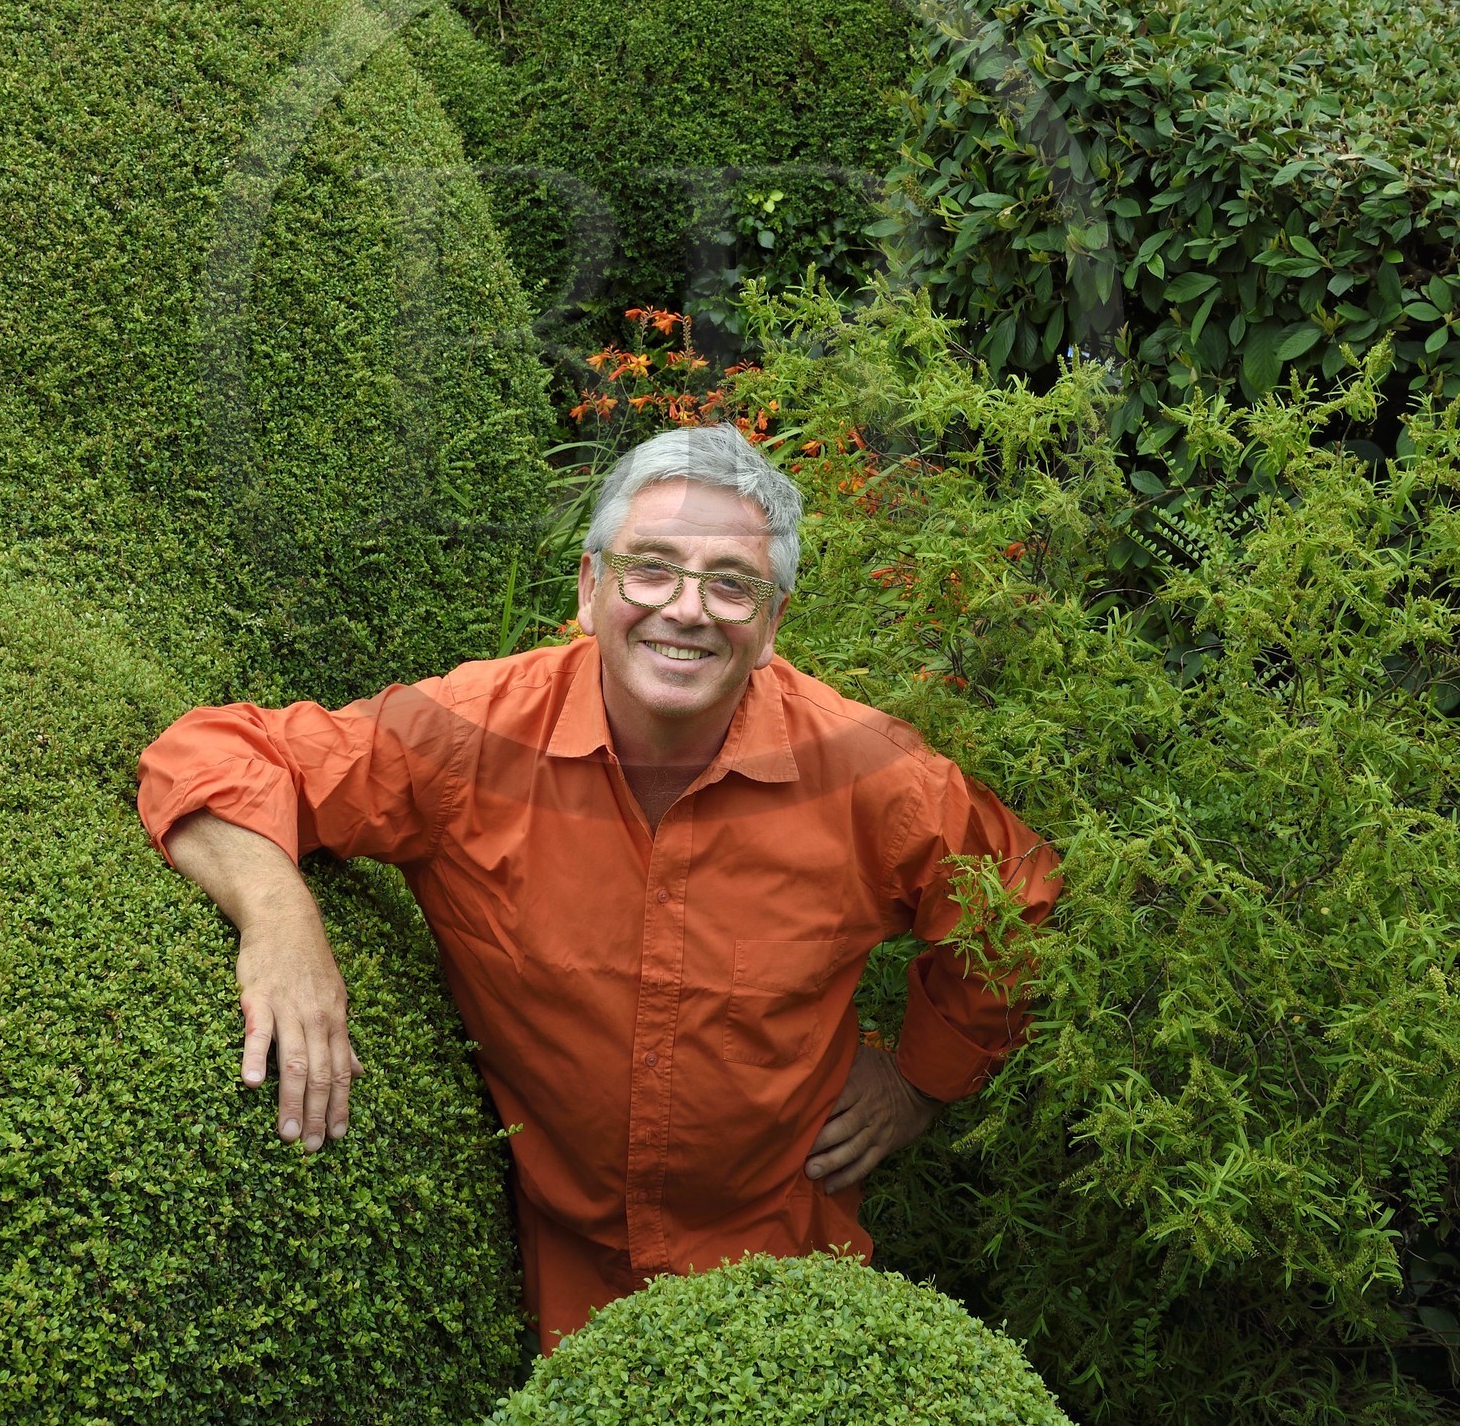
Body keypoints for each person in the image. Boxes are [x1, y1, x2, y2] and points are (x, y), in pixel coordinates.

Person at [138, 424, 1059, 1352]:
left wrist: (916, 1081)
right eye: (649, 568)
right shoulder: (472, 739)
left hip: (786, 1264)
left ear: (771, 625)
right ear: (589, 589)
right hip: (548, 1265)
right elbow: (212, 754)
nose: (686, 609)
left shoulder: (868, 776)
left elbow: (1016, 898)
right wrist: (281, 924)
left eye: (731, 584)